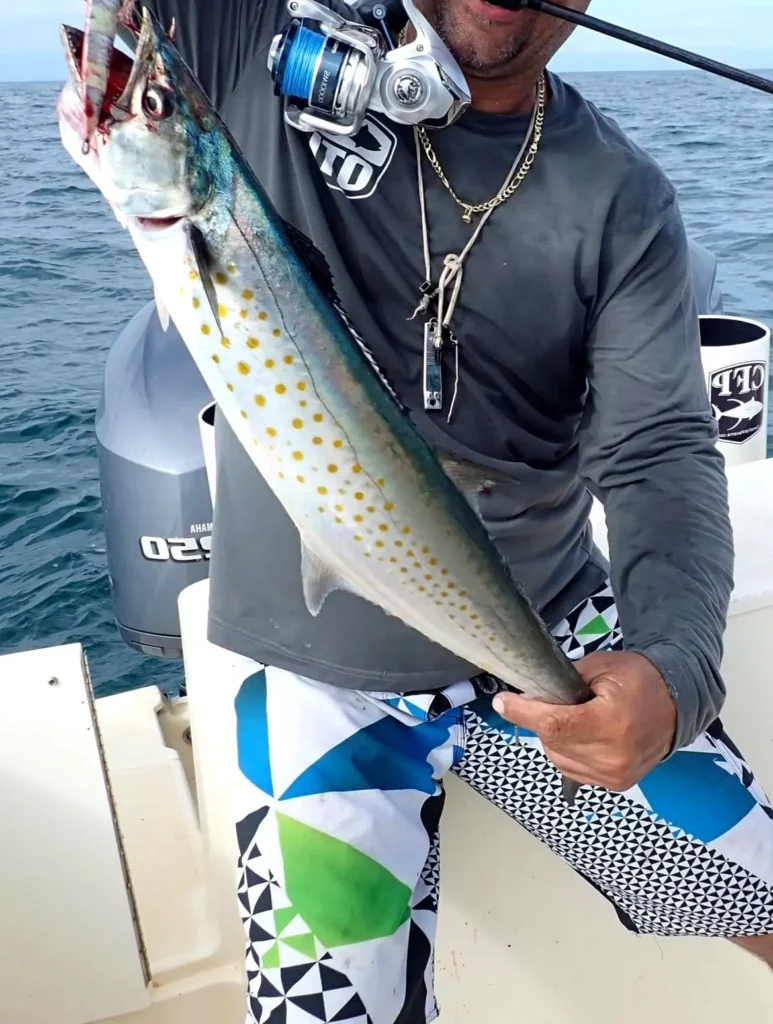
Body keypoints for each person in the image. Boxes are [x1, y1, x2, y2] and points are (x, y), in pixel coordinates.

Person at [127, 0, 773, 1019]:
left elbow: (657, 454)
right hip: (313, 671)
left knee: (764, 895)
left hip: (548, 639)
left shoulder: (618, 196)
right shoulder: (243, 46)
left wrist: (671, 672)